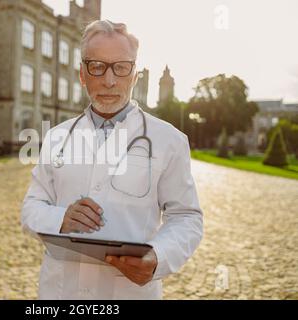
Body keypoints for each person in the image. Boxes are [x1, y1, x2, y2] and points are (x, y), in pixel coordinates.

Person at [21, 20, 203, 299]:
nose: (109, 80)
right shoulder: (56, 136)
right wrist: (60, 218)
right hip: (60, 292)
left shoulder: (170, 141)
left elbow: (186, 216)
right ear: (82, 74)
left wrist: (158, 256)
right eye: (97, 66)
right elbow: (31, 207)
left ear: (135, 75)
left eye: (121, 67)